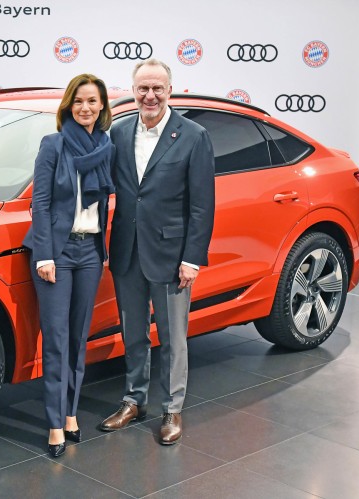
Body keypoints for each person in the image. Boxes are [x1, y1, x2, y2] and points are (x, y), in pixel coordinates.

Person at [99, 59, 215, 445]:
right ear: (133, 91)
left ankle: (172, 408)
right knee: (133, 333)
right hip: (127, 251)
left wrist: (192, 259)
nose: (150, 96)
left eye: (157, 88)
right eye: (143, 89)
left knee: (172, 338)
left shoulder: (193, 136)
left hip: (171, 255)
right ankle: (134, 400)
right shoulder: (118, 132)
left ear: (169, 90)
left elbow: (202, 205)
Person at [22, 74, 114, 458]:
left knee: (78, 339)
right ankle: (55, 424)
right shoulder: (54, 145)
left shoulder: (106, 146)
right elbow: (40, 203)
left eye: (92, 101)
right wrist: (44, 255)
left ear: (102, 105)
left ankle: (71, 412)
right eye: (78, 101)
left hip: (90, 252)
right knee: (57, 341)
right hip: (56, 254)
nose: (85, 108)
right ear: (68, 106)